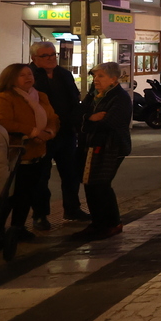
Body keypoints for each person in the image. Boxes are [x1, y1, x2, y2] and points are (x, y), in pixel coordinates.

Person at [0, 63, 60, 243]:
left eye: (30, 74)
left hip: (39, 152)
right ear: (11, 78)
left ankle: (18, 228)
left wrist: (49, 133)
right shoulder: (5, 98)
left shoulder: (41, 96)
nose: (28, 77)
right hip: (16, 156)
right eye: (22, 75)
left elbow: (53, 118)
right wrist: (33, 132)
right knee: (9, 196)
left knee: (27, 194)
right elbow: (1, 121)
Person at [29, 41, 88, 224]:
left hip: (66, 131)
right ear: (34, 58)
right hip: (43, 134)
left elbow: (74, 99)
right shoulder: (29, 75)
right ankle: (40, 215)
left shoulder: (64, 74)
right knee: (41, 176)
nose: (50, 58)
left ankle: (72, 209)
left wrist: (76, 122)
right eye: (45, 56)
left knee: (70, 173)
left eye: (52, 54)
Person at [75, 62, 132, 240]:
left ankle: (111, 223)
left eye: (100, 76)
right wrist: (89, 118)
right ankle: (98, 222)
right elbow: (78, 114)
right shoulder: (94, 95)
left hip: (110, 146)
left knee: (100, 184)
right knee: (91, 184)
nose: (95, 80)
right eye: (94, 76)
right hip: (91, 144)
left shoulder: (119, 98)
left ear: (113, 79)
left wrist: (86, 123)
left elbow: (108, 124)